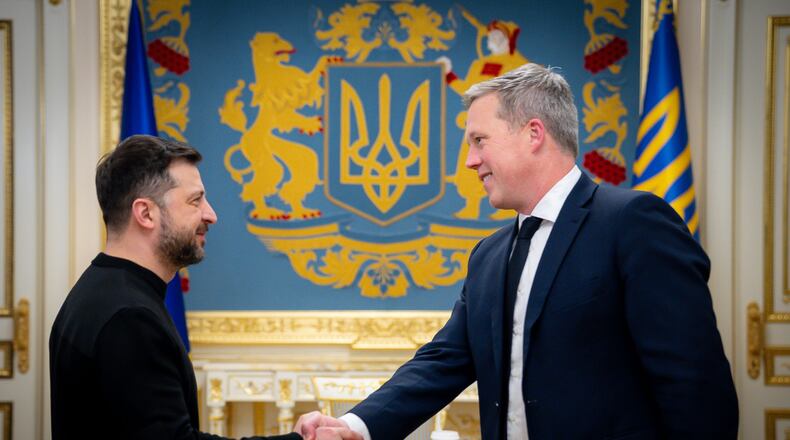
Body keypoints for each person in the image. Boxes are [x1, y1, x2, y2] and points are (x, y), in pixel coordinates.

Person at [295, 64, 739, 439]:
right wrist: (354, 426)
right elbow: (445, 361)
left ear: (533, 134)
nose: (469, 161)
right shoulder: (490, 255)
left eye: (479, 140)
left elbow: (694, 386)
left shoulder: (633, 223)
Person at [49, 135, 307, 439]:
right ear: (146, 213)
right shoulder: (129, 319)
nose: (211, 214)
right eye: (195, 201)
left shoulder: (100, 290)